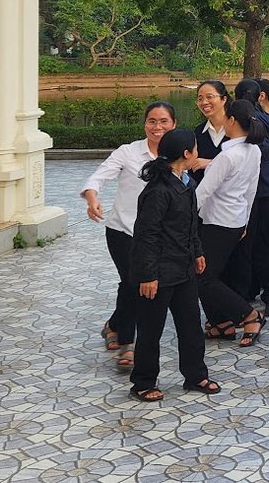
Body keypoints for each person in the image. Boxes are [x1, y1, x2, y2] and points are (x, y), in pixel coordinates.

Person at [82, 101, 178, 370]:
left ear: (174, 124)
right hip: (123, 230)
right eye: (152, 121)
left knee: (135, 284)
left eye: (163, 121)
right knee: (134, 282)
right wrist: (92, 199)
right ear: (144, 124)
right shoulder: (128, 152)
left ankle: (114, 324)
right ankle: (128, 342)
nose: (157, 127)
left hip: (159, 236)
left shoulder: (179, 153)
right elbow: (97, 178)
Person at [128, 127, 220, 403]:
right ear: (186, 154)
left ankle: (195, 375)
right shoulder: (158, 191)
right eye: (196, 148)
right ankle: (143, 382)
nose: (198, 153)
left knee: (190, 325)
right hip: (158, 273)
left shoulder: (185, 183)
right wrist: (147, 275)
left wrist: (198, 252)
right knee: (150, 330)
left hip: (183, 268)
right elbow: (146, 235)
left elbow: (191, 224)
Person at [195, 99, 266, 347]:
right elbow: (251, 190)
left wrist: (178, 217)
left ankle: (249, 315)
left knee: (203, 276)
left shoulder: (227, 156)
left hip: (217, 222)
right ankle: (221, 323)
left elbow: (202, 192)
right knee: (212, 274)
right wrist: (244, 222)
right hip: (235, 221)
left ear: (232, 120)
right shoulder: (254, 150)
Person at [232, 78, 269, 317]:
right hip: (267, 191)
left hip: (259, 192)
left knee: (254, 244)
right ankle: (263, 292)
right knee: (262, 243)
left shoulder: (248, 122)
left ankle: (267, 293)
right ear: (260, 96)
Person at [189, 81, 232, 185]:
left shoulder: (238, 129)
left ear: (223, 99)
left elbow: (247, 164)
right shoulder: (198, 132)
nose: (204, 102)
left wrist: (210, 164)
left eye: (209, 97)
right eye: (200, 99)